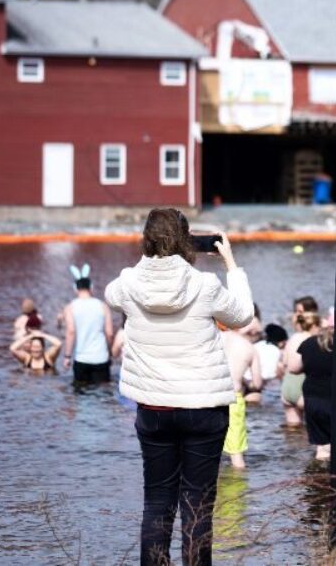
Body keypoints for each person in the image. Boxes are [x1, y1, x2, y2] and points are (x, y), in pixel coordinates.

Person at [104, 208, 254, 566]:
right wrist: (231, 265)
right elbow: (243, 316)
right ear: (187, 241)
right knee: (197, 505)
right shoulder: (204, 285)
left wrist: (150, 259)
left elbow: (111, 293)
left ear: (146, 240)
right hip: (203, 408)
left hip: (154, 410)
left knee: (157, 501)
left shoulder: (127, 284)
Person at [287, 322, 334, 460]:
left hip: (313, 400)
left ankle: (318, 477)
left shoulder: (309, 343)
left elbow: (293, 368)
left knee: (322, 447)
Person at [221, 329, 261, 469]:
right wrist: (243, 380)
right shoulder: (249, 348)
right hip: (233, 397)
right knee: (236, 454)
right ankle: (237, 489)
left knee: (205, 448)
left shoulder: (213, 337)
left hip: (208, 395)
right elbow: (257, 384)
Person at [63, 275, 113, 386]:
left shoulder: (70, 307)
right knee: (103, 395)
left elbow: (71, 332)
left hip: (81, 359)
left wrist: (67, 356)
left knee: (81, 395)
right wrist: (109, 352)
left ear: (75, 289)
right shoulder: (102, 306)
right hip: (101, 357)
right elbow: (109, 333)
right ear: (92, 288)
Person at [279, 313, 320, 428]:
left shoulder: (292, 338)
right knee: (311, 431)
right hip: (302, 385)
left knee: (293, 428)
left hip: (287, 385)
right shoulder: (313, 340)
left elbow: (285, 362)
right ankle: (304, 447)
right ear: (314, 326)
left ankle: (289, 446)